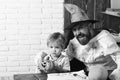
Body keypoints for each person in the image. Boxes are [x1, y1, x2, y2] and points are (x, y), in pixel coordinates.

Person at [64, 3, 120, 80]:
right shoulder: (73, 43)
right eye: (74, 30)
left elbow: (118, 57)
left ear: (90, 26)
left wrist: (115, 77)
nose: (77, 33)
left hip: (111, 74)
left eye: (80, 28)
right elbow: (65, 57)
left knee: (97, 72)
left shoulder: (104, 37)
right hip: (87, 75)